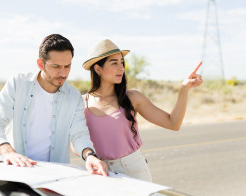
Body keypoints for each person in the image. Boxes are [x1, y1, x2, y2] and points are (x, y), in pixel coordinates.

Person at [0, 34, 108, 176]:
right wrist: (7, 151)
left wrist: (90, 155)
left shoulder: (74, 97)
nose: (63, 73)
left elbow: (79, 134)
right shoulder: (17, 84)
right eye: (56, 66)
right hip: (14, 172)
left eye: (67, 66)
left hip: (53, 178)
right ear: (40, 64)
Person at [81, 39, 203, 181]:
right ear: (97, 69)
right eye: (114, 63)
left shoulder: (132, 98)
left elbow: (173, 123)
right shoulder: (82, 103)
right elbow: (75, 144)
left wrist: (184, 89)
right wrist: (91, 157)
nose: (121, 68)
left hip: (134, 171)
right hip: (101, 172)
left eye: (122, 62)